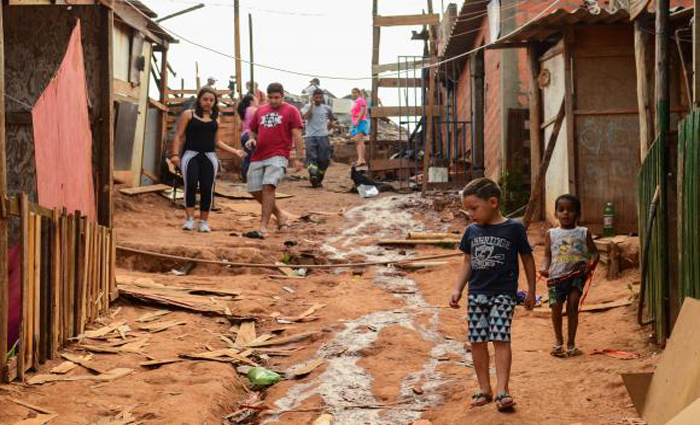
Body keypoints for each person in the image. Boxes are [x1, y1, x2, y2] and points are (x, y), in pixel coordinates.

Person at [449, 178, 536, 412]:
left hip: (503, 294)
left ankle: (502, 391)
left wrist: (532, 291)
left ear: (493, 202)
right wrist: (458, 288)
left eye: (474, 208)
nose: (469, 213)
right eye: (467, 208)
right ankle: (484, 389)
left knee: (500, 338)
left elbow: (527, 259)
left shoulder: (514, 228)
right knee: (477, 341)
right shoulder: (471, 231)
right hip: (477, 294)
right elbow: (467, 261)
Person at [171, 87, 246, 232]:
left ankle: (204, 222)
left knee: (207, 188)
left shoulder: (215, 118)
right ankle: (190, 220)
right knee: (191, 185)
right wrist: (175, 155)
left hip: (209, 157)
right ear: (199, 99)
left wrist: (235, 151)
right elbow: (178, 136)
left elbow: (217, 142)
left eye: (211, 100)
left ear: (215, 102)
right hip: (190, 156)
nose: (208, 102)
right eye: (205, 99)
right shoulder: (189, 114)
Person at [540, 194, 599, 358]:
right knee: (555, 308)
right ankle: (558, 341)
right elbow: (547, 255)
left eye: (571, 210)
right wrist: (544, 267)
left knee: (573, 306)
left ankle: (571, 344)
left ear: (578, 214)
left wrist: (590, 266)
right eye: (561, 210)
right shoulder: (551, 233)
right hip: (555, 279)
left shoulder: (583, 232)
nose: (566, 213)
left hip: (576, 277)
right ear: (556, 213)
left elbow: (594, 253)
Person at [245, 82, 304, 237]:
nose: (273, 101)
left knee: (268, 187)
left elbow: (297, 134)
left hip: (279, 154)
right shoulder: (261, 110)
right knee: (253, 189)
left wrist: (299, 157)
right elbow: (252, 130)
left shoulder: (291, 110)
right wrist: (251, 139)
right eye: (270, 97)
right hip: (258, 154)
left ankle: (263, 226)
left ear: (283, 96)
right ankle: (280, 214)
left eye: (276, 97)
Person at [301, 88, 336, 188]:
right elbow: (306, 117)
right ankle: (313, 175)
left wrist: (329, 127)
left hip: (323, 137)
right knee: (312, 157)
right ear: (312, 97)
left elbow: (332, 119)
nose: (318, 99)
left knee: (324, 159)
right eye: (316, 97)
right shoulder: (306, 107)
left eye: (320, 97)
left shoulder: (327, 108)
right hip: (310, 137)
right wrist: (311, 105)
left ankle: (319, 178)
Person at [237, 93, 259, 182]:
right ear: (251, 101)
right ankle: (250, 179)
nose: (257, 101)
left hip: (243, 136)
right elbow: (258, 124)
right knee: (253, 158)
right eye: (256, 99)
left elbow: (239, 127)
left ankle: (244, 177)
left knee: (246, 158)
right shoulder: (254, 109)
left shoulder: (243, 111)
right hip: (251, 136)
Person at [350, 88, 368, 167]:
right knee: (357, 141)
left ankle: (361, 159)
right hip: (355, 121)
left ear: (359, 93)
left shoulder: (361, 100)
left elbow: (363, 111)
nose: (353, 94)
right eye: (352, 92)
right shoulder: (355, 101)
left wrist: (358, 120)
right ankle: (360, 159)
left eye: (355, 92)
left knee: (360, 140)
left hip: (360, 121)